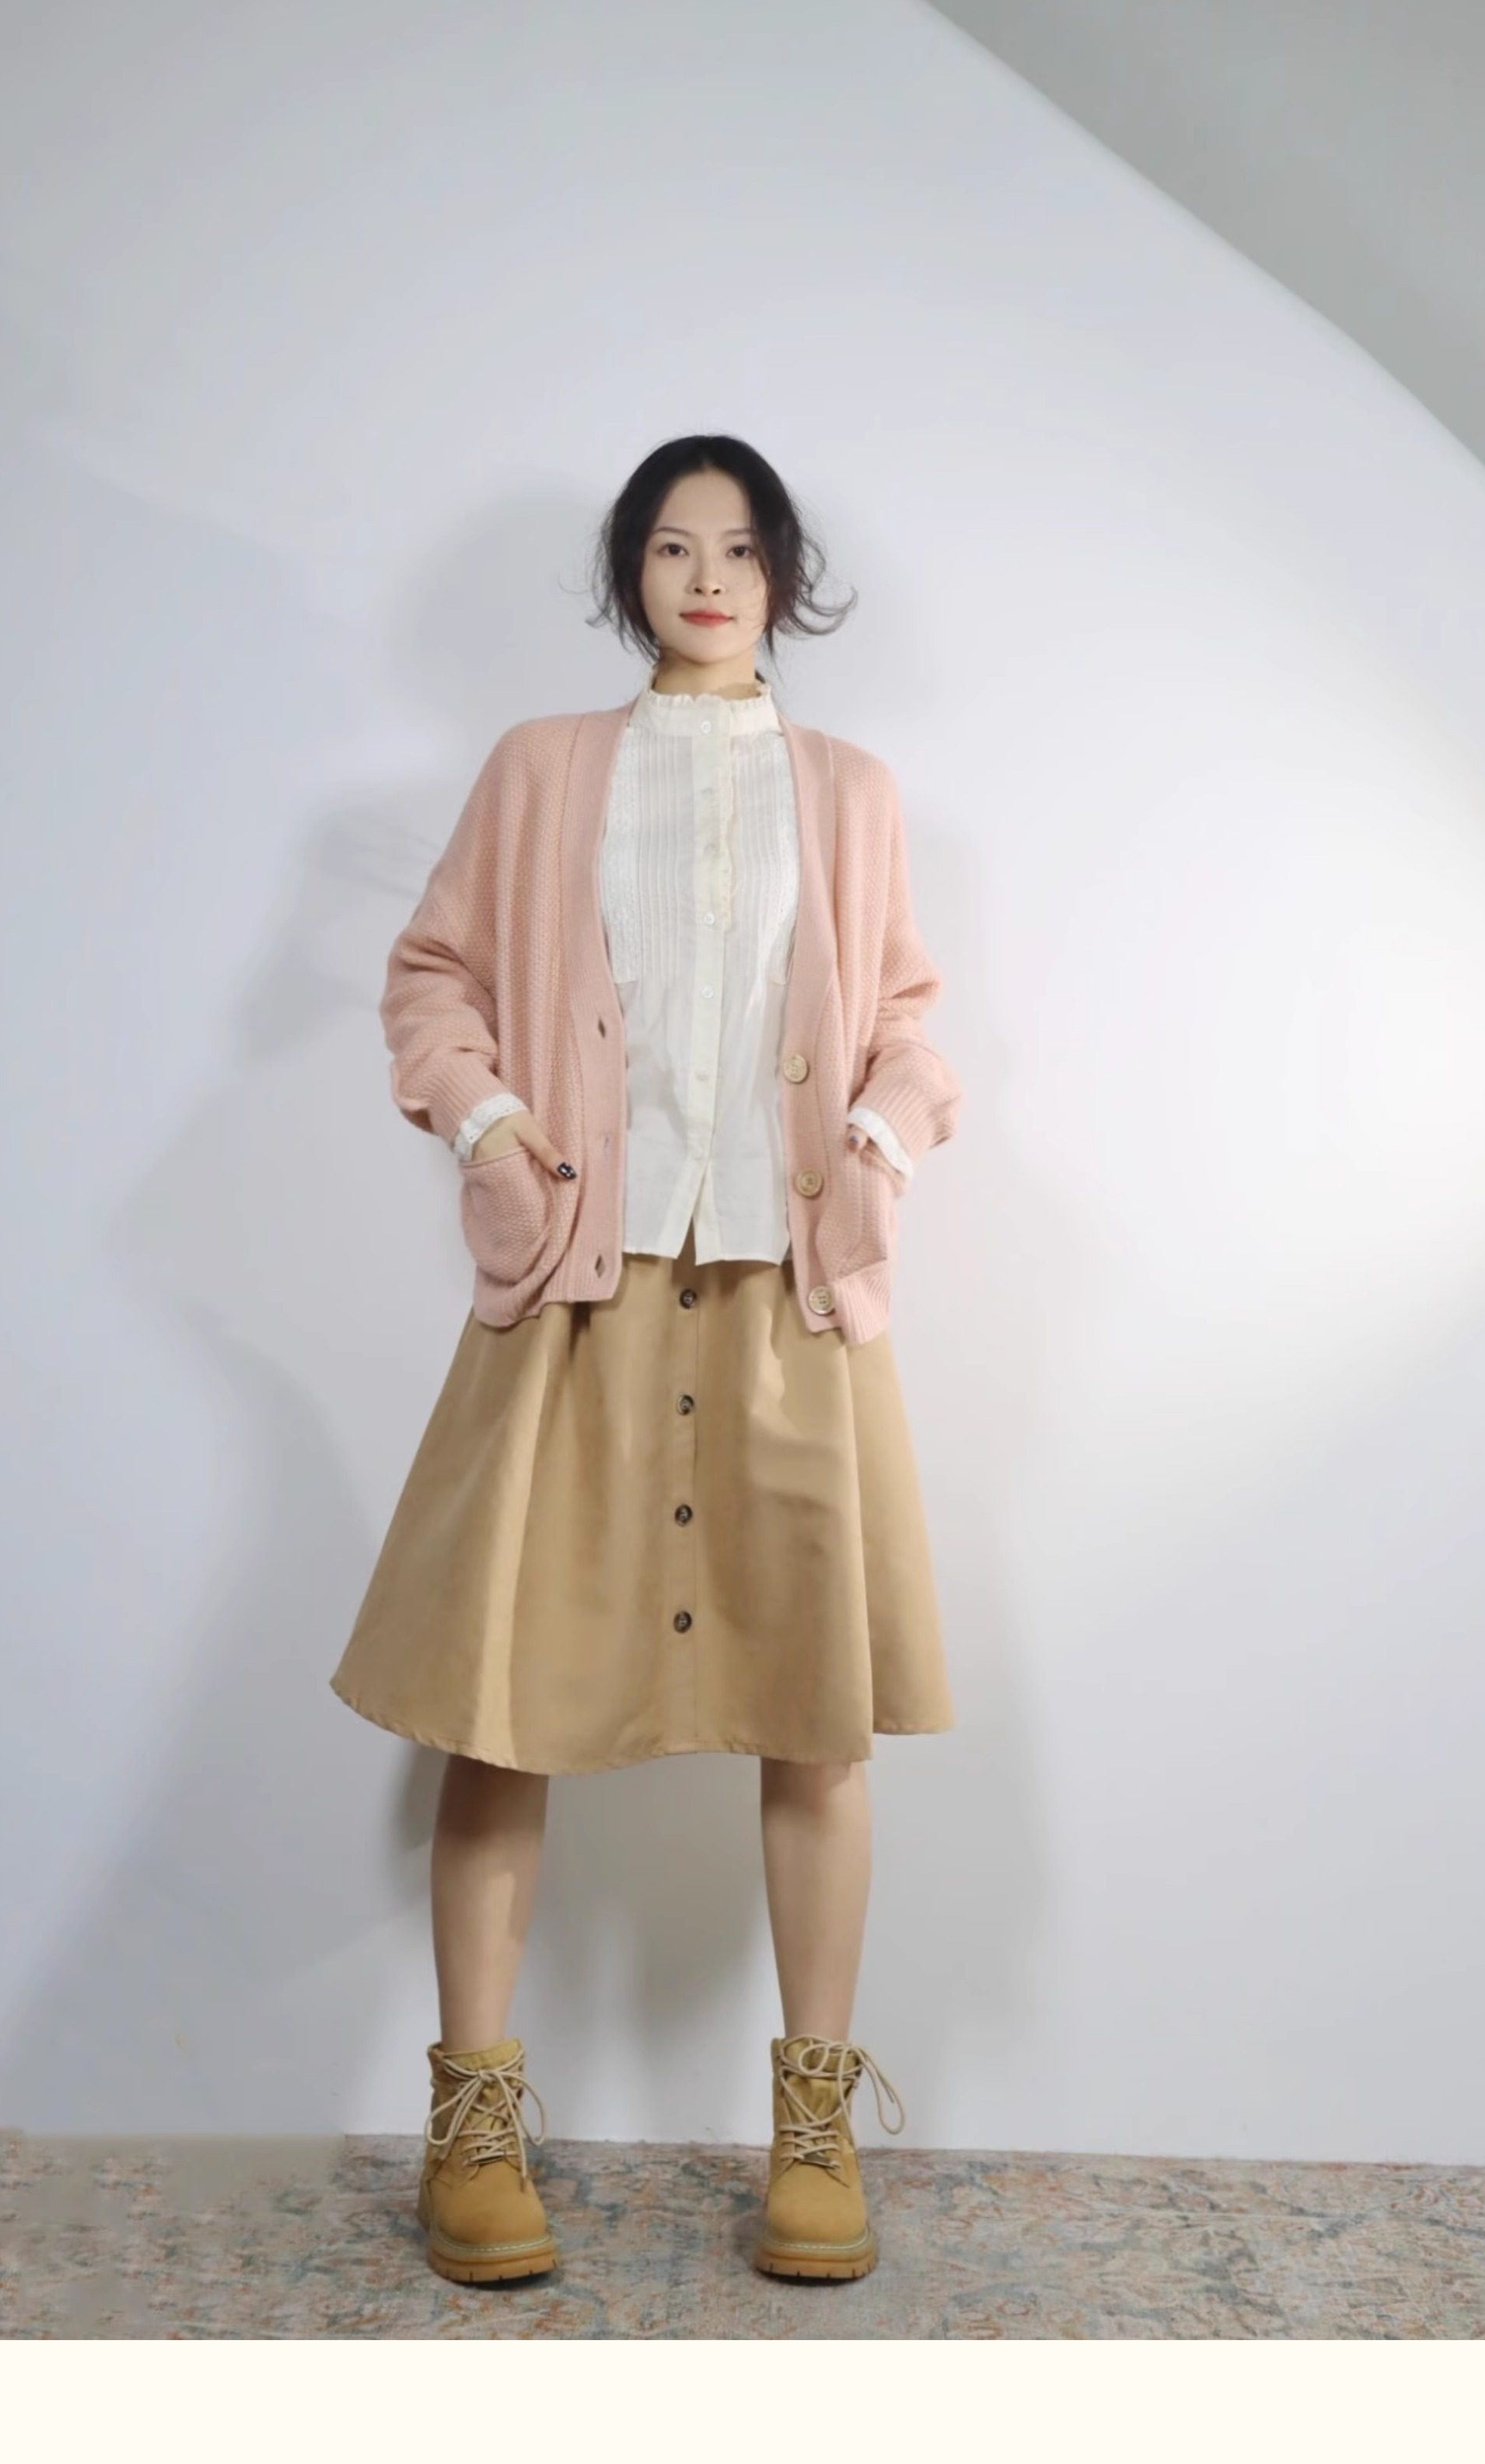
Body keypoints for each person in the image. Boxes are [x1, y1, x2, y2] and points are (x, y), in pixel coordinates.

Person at [329, 433, 963, 2286]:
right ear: (630, 575)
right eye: (673, 548)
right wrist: (490, 1119)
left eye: (740, 550)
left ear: (783, 580)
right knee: (496, 1712)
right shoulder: (540, 770)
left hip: (786, 1298)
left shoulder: (850, 792)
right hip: (581, 1292)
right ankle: (471, 2127)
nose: (706, 579)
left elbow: (912, 1027)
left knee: (816, 1723)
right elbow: (432, 976)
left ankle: (814, 2133)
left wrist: (880, 1135)